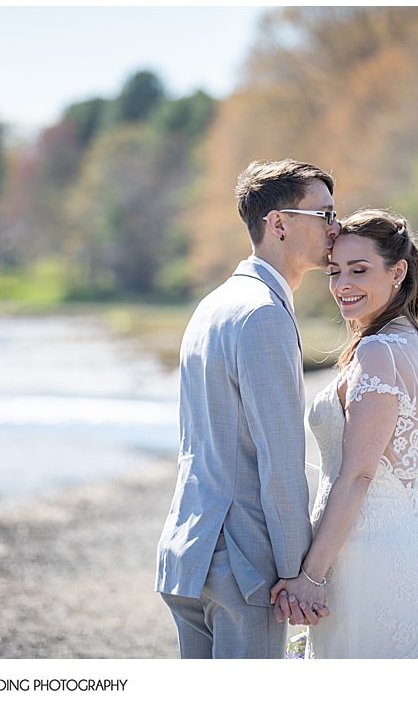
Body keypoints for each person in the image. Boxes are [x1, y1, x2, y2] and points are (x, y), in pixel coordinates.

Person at [155, 159, 339, 658]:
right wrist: (297, 574)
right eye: (324, 214)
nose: (335, 228)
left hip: (188, 552)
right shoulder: (263, 315)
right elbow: (280, 461)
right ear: (278, 223)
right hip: (242, 566)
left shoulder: (214, 304)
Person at [271, 208, 418, 658]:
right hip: (406, 539)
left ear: (398, 272)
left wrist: (311, 576)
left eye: (359, 270)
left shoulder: (378, 351)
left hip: (361, 551)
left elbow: (357, 475)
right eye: (335, 271)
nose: (342, 285)